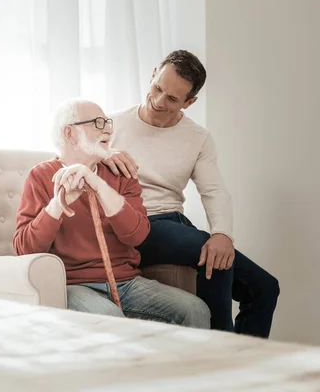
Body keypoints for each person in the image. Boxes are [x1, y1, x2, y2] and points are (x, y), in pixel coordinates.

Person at [103, 50, 280, 338]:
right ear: (152, 74)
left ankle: (245, 362)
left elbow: (214, 191)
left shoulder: (197, 137)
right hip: (137, 224)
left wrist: (223, 233)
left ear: (190, 101)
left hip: (175, 225)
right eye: (158, 88)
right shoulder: (111, 126)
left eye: (172, 98)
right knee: (208, 251)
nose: (159, 101)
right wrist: (103, 153)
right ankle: (219, 348)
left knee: (265, 288)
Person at [12, 98, 210, 329]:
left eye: (107, 122)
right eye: (97, 122)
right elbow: (24, 248)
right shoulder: (41, 176)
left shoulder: (120, 173)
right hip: (75, 285)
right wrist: (58, 204)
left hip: (126, 282)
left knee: (196, 310)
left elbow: (137, 236)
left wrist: (99, 185)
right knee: (109, 317)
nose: (107, 128)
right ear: (70, 133)